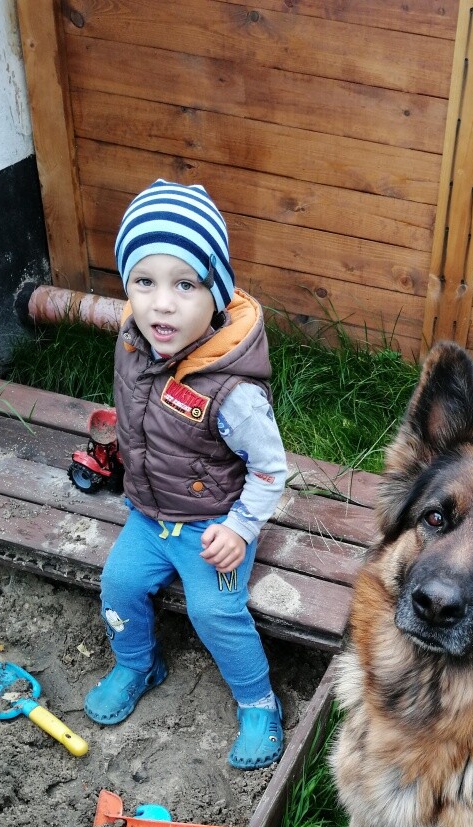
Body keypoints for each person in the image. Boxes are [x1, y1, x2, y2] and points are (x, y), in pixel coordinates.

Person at [83, 179, 288, 769]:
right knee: (118, 584)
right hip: (150, 515)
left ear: (216, 293)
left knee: (214, 611)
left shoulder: (231, 391)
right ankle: (138, 664)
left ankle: (258, 703)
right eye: (144, 281)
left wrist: (241, 528)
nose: (161, 304)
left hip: (212, 525)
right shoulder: (134, 342)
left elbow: (270, 468)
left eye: (185, 284)